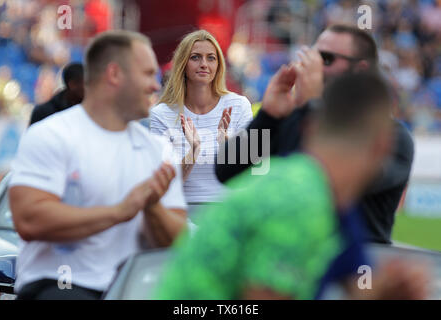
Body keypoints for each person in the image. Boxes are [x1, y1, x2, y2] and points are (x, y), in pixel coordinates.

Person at [154, 71, 428, 300]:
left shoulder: (329, 200)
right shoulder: (301, 201)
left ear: (308, 128)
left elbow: (358, 289)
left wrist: (389, 291)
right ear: (383, 146)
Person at [8, 30, 188, 300]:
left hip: (136, 289)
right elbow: (30, 221)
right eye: (148, 74)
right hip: (60, 286)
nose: (155, 85)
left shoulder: (158, 150)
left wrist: (152, 207)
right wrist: (121, 211)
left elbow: (178, 243)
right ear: (114, 74)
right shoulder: (52, 134)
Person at [215, 24, 414, 244]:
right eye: (312, 55)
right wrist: (269, 116)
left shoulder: (392, 137)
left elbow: (324, 184)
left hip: (353, 268)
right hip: (287, 263)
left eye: (326, 59)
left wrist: (310, 106)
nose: (314, 65)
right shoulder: (296, 118)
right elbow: (226, 169)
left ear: (361, 69)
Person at [150, 30, 252, 212]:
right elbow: (163, 185)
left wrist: (226, 148)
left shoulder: (239, 105)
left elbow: (250, 175)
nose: (204, 64)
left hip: (229, 209)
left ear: (219, 64)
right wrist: (194, 151)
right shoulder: (161, 113)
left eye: (211, 58)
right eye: (195, 57)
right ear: (183, 64)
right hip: (181, 209)